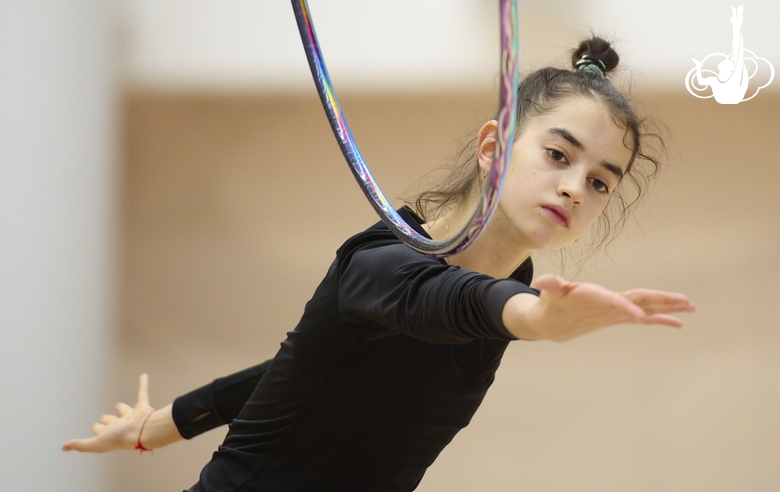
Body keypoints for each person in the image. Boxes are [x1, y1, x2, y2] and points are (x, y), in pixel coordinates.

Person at [62, 37, 695, 491]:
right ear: (492, 147)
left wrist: (162, 425)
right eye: (559, 155)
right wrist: (532, 320)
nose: (575, 189)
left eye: (601, 182)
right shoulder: (382, 262)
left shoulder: (516, 283)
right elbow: (453, 300)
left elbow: (301, 367)